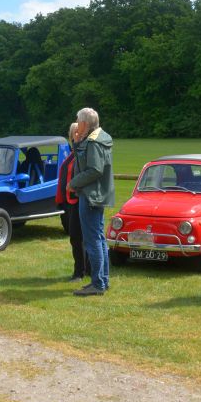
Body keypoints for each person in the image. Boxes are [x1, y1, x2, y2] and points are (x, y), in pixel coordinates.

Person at [68, 107, 114, 297]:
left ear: (85, 124)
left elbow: (94, 169)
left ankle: (98, 284)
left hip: (91, 196)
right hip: (96, 195)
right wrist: (77, 141)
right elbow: (84, 161)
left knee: (92, 240)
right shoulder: (97, 138)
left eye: (78, 121)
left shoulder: (94, 142)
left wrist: (73, 182)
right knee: (99, 238)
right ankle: (102, 280)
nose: (76, 124)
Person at [56, 121, 89, 282]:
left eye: (80, 133)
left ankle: (80, 272)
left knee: (78, 237)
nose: (77, 136)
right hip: (70, 202)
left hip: (79, 200)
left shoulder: (83, 155)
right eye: (74, 133)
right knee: (77, 237)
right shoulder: (71, 155)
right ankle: (86, 269)